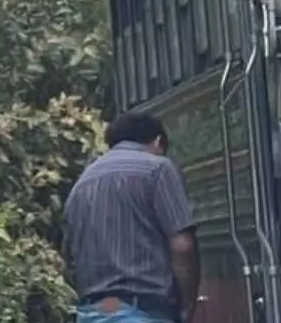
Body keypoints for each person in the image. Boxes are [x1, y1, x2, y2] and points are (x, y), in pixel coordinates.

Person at [64, 111, 201, 323]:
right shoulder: (157, 168)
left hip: (94, 312)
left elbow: (70, 257)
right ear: (158, 142)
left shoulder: (82, 184)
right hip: (141, 312)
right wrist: (187, 306)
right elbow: (183, 247)